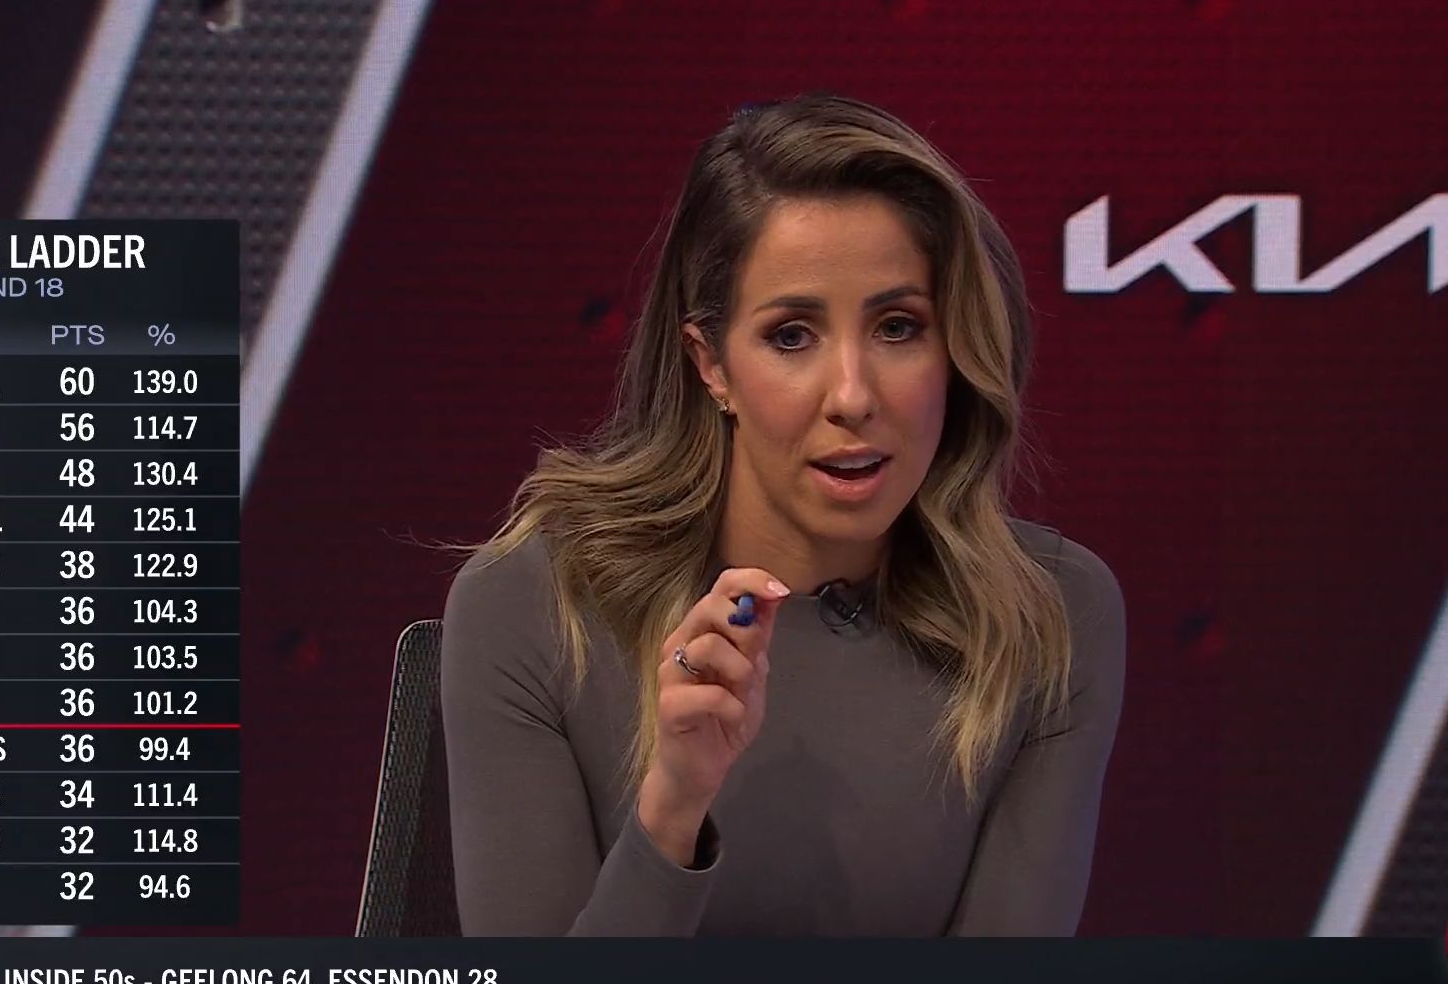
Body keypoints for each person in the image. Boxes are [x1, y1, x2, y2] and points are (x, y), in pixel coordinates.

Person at [439, 94, 1125, 936]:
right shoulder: (537, 606)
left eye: (898, 327)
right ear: (711, 364)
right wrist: (675, 806)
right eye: (792, 336)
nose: (853, 396)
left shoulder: (1049, 614)